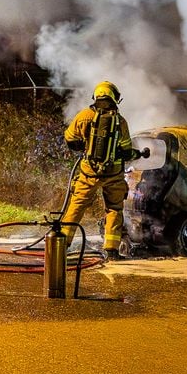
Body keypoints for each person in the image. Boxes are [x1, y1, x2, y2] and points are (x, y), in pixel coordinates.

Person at [60, 80, 144, 261]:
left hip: (89, 174)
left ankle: (61, 246)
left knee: (76, 207)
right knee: (114, 209)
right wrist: (137, 154)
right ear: (115, 98)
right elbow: (126, 151)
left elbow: (69, 139)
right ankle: (111, 251)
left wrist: (85, 147)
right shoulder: (120, 122)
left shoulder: (84, 116)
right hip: (113, 175)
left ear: (96, 97)